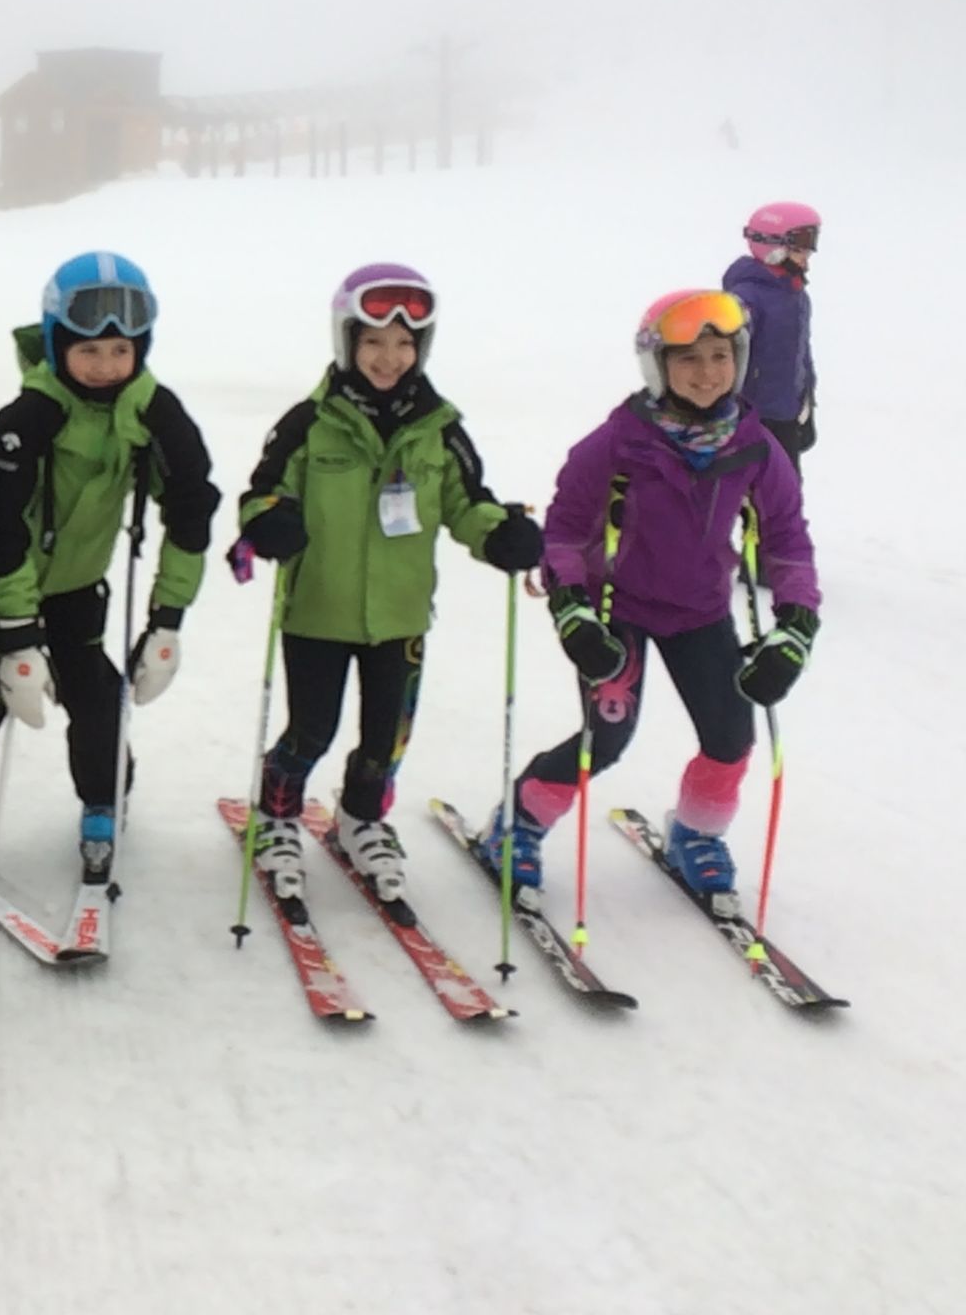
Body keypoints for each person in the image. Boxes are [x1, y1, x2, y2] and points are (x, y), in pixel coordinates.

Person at [478, 289, 820, 915]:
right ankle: (517, 821)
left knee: (730, 737)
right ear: (657, 366)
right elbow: (566, 533)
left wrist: (797, 624)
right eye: (687, 358)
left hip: (702, 613)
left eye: (720, 356)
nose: (706, 372)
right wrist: (572, 609)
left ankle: (696, 834)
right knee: (603, 742)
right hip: (618, 611)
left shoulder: (755, 446)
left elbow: (789, 538)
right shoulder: (614, 443)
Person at [0, 252, 218, 885]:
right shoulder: (22, 423)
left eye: (120, 351)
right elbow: (1, 530)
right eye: (88, 352)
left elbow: (192, 509)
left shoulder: (155, 413)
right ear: (57, 343)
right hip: (1, 589)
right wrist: (15, 633)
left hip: (77, 590)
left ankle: (104, 795)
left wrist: (168, 619)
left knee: (96, 696)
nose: (105, 367)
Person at [231, 263, 540, 912]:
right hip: (316, 610)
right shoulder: (307, 424)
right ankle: (278, 814)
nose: (389, 357)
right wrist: (271, 522)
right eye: (373, 341)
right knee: (310, 730)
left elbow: (466, 502)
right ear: (347, 342)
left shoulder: (439, 428)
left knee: (386, 737)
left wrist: (499, 535)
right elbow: (260, 495)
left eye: (404, 344)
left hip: (400, 616)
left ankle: (361, 818)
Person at [723, 201, 820, 474]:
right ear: (772, 244)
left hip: (786, 413)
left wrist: (807, 401)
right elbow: (727, 353)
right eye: (801, 243)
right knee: (755, 493)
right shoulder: (746, 297)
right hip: (752, 418)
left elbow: (801, 353)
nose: (809, 252)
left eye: (812, 241)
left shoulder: (796, 295)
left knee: (786, 490)